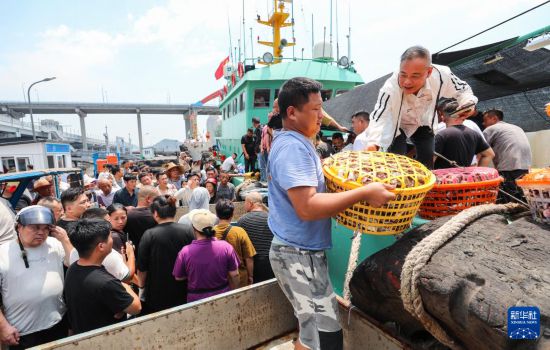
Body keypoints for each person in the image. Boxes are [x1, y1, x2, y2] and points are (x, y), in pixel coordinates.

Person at [269, 77, 396, 350]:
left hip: (305, 253)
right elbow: (307, 207)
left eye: (321, 109)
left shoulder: (300, 143)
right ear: (291, 112)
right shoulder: (293, 147)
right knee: (317, 336)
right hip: (296, 255)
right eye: (315, 110)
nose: (321, 117)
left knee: (321, 331)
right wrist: (364, 193)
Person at [366, 45, 478, 169]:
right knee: (395, 161)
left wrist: (468, 103)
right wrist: (373, 142)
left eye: (415, 76)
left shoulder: (442, 75)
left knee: (427, 159)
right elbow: (379, 115)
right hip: (397, 125)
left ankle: (424, 188)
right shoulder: (390, 88)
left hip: (423, 122)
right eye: (403, 74)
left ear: (429, 72)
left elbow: (463, 90)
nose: (407, 82)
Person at [0, 206, 72, 348]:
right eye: (35, 227)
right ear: (19, 227)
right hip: (22, 332)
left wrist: (65, 240)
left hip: (58, 323)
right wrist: (3, 327)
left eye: (46, 228)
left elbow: (73, 263)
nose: (41, 232)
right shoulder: (3, 253)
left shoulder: (54, 244)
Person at [64, 219, 141, 334]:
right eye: (110, 237)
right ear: (101, 246)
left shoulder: (73, 268)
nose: (112, 240)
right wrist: (124, 285)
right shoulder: (106, 283)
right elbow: (136, 307)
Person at [137, 196, 195, 314]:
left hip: (158, 291)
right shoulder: (188, 230)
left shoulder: (149, 234)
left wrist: (141, 288)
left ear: (156, 213)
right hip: (184, 287)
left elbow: (142, 268)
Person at [172, 210, 240, 302]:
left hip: (195, 301)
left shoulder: (185, 252)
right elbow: (234, 274)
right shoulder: (226, 247)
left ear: (194, 228)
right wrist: (235, 292)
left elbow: (178, 277)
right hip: (223, 297)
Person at [70, 208, 135, 283]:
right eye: (107, 221)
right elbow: (127, 277)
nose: (110, 224)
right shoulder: (109, 255)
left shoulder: (74, 250)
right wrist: (130, 254)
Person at [482, 109, 532, 203]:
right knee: (523, 196)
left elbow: (481, 150)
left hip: (508, 167)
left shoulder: (490, 129)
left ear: (494, 118)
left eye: (485, 120)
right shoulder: (517, 127)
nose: (483, 123)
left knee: (507, 199)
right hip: (525, 166)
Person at [434, 98, 495, 169]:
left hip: (446, 179)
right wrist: (478, 171)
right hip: (466, 177)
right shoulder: (474, 133)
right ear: (462, 115)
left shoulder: (442, 134)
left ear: (443, 117)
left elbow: (430, 160)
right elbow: (490, 154)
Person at [214, 199, 256, 287]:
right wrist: (251, 275)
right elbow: (249, 257)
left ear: (217, 214)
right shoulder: (239, 232)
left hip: (218, 278)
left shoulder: (211, 232)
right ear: (232, 214)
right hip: (240, 278)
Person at [237, 192, 274, 283]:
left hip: (253, 265)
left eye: (245, 202)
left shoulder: (243, 220)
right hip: (271, 263)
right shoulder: (272, 218)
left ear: (250, 203)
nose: (244, 205)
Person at [124, 186, 159, 254]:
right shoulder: (157, 215)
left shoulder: (126, 215)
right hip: (154, 254)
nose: (158, 201)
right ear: (148, 199)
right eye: (156, 199)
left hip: (134, 254)